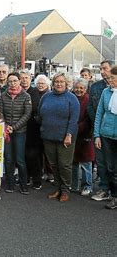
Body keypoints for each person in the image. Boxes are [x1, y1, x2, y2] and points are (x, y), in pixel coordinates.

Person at [39, 73, 80, 202]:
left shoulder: (72, 98)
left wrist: (69, 134)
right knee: (53, 164)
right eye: (56, 81)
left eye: (62, 81)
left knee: (64, 165)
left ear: (66, 83)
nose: (59, 84)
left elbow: (74, 120)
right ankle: (57, 188)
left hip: (65, 137)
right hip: (48, 135)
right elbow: (40, 113)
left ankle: (65, 190)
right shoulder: (46, 97)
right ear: (53, 83)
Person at [0, 72, 32, 194]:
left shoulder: (26, 96)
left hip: (20, 132)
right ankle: (10, 183)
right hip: (6, 131)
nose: (12, 83)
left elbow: (27, 114)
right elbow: (0, 112)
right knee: (8, 159)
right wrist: (6, 126)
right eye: (10, 81)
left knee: (20, 159)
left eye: (15, 81)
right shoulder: (3, 95)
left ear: (19, 81)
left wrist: (15, 127)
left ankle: (24, 185)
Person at [88, 60, 112, 201]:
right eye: (100, 68)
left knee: (112, 163)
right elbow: (91, 108)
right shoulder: (96, 87)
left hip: (113, 131)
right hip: (99, 130)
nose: (102, 71)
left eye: (105, 68)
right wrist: (99, 125)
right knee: (101, 162)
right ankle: (104, 188)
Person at [94, 66, 117, 209]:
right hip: (106, 135)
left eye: (112, 78)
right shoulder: (105, 92)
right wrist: (96, 135)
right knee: (111, 168)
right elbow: (99, 114)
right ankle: (114, 196)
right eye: (108, 78)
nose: (109, 81)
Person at [20, 69, 43, 190]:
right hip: (21, 128)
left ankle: (37, 179)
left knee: (34, 155)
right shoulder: (17, 91)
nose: (24, 80)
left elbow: (33, 108)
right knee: (24, 155)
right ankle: (26, 177)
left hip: (32, 128)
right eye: (22, 78)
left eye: (26, 78)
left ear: (30, 79)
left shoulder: (34, 92)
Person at [71, 78, 94, 196]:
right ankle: (74, 185)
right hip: (72, 134)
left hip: (85, 135)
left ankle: (87, 185)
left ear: (85, 89)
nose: (78, 90)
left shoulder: (88, 100)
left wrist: (78, 127)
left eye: (81, 88)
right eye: (77, 87)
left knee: (86, 162)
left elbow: (89, 118)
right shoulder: (71, 97)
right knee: (73, 161)